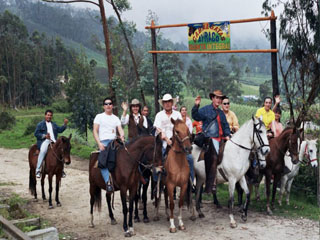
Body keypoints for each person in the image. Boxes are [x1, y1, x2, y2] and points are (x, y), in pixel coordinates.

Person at [192, 90, 231, 192]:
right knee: (214, 155)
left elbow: (225, 126)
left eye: (220, 98)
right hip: (210, 138)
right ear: (212, 98)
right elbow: (196, 116)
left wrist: (227, 135)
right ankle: (211, 183)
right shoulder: (205, 110)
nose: (218, 100)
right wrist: (196, 106)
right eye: (217, 98)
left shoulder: (221, 113)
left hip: (222, 138)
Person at [154, 94, 194, 182]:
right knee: (157, 158)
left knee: (190, 158)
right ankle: (156, 182)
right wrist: (165, 138)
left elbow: (182, 126)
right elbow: (157, 128)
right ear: (163, 104)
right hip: (163, 141)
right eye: (165, 102)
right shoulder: (159, 115)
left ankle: (191, 181)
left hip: (177, 141)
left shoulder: (177, 114)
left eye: (169, 102)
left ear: (172, 103)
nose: (167, 104)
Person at [93, 97, 125, 192]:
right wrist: (99, 143)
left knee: (127, 156)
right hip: (104, 142)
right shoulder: (99, 116)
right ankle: (108, 182)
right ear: (103, 106)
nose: (108, 105)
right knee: (102, 161)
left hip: (114, 142)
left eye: (110, 103)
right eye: (106, 104)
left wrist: (122, 135)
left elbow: (120, 129)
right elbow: (95, 130)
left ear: (112, 106)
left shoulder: (115, 118)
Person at [34, 110, 68, 178]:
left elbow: (60, 130)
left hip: (54, 141)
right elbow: (36, 134)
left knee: (61, 151)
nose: (49, 116)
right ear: (45, 115)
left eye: (50, 115)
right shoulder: (40, 124)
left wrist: (65, 124)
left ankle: (61, 170)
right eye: (48, 115)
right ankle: (38, 170)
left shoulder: (54, 124)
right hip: (45, 141)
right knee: (43, 151)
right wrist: (44, 136)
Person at [180, 106, 195, 182]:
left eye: (185, 110)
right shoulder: (178, 120)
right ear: (180, 111)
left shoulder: (189, 121)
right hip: (179, 142)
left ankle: (192, 181)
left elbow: (190, 132)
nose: (184, 111)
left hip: (186, 142)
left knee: (190, 159)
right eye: (182, 110)